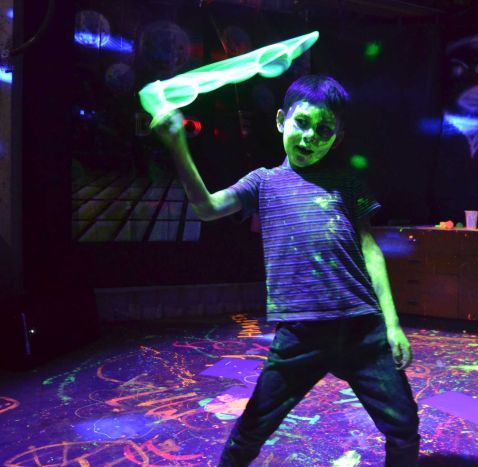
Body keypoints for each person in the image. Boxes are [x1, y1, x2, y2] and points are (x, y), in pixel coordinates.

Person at [153, 74, 419, 466]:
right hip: (300, 333)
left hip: (362, 329)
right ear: (280, 120)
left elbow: (370, 249)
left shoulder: (346, 183)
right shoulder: (264, 182)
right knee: (252, 427)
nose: (311, 137)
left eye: (324, 130)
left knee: (403, 426)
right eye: (302, 123)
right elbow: (207, 208)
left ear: (337, 137)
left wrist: (392, 323)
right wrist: (178, 147)